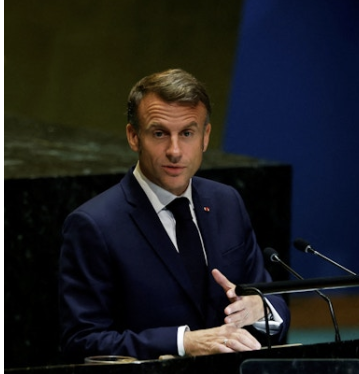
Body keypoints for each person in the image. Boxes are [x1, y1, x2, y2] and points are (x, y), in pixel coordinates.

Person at [59, 69, 290, 362]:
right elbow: (83, 342)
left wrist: (261, 309)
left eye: (187, 133)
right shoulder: (94, 225)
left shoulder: (227, 203)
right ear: (133, 137)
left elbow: (271, 301)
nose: (175, 151)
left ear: (205, 137)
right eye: (159, 134)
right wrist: (183, 343)